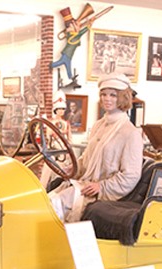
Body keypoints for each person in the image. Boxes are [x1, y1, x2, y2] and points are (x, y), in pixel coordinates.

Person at [48, 73, 142, 223]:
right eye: (104, 94)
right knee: (47, 199)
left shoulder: (131, 133)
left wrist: (102, 186)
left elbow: (131, 175)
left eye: (113, 95)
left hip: (101, 192)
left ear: (123, 97)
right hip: (84, 183)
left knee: (55, 205)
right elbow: (86, 158)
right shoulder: (99, 125)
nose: (107, 99)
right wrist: (74, 168)